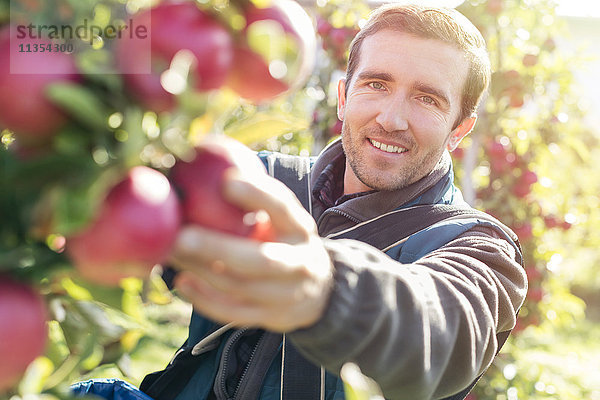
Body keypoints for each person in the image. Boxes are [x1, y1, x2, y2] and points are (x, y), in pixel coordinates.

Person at [140, 3, 528, 400]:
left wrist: (327, 289)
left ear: (458, 130)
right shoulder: (259, 182)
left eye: (427, 99)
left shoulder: (478, 247)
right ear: (343, 97)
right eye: (376, 84)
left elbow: (440, 332)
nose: (391, 119)